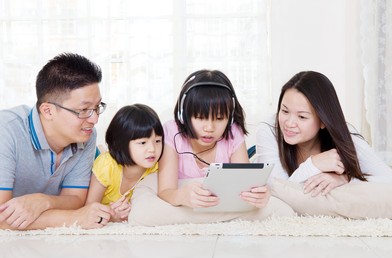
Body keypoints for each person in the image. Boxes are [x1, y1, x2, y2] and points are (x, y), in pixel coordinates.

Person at [128, 69, 294, 226]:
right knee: (143, 212)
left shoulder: (233, 132)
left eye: (219, 118)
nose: (209, 127)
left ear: (229, 119)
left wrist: (257, 196)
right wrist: (181, 196)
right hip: (183, 199)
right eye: (200, 118)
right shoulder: (171, 131)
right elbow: (165, 191)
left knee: (282, 210)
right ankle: (214, 218)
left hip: (213, 205)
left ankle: (200, 218)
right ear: (184, 115)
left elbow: (243, 186)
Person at [0, 53, 112, 230]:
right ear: (48, 111)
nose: (94, 119)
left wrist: (42, 201)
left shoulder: (86, 134)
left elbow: (76, 198)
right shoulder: (6, 130)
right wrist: (73, 218)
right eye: (83, 109)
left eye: (97, 107)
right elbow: (1, 217)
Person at [256, 71, 392, 197]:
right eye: (285, 111)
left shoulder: (345, 136)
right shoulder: (268, 131)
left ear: (323, 121)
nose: (289, 123)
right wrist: (313, 165)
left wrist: (344, 179)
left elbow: (387, 179)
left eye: (302, 117)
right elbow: (278, 191)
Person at [85, 104, 164, 222]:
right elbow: (88, 209)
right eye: (143, 143)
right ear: (121, 143)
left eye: (157, 141)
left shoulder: (156, 167)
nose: (152, 149)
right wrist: (112, 215)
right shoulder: (106, 166)